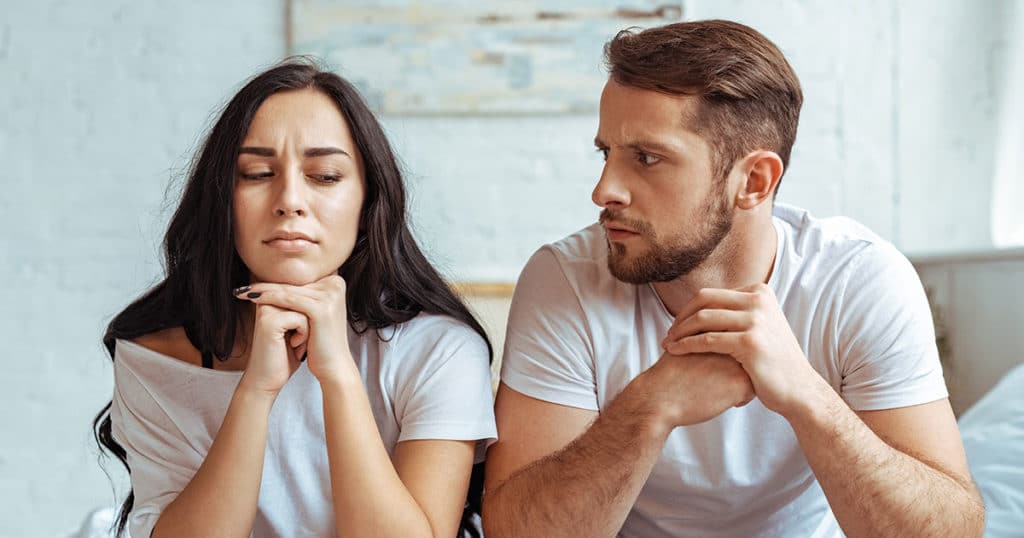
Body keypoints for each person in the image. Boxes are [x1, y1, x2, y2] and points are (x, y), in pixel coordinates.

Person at [482, 20, 984, 538]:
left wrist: (805, 395)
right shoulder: (565, 279)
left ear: (753, 181)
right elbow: (515, 531)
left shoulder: (859, 280)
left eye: (647, 158)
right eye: (605, 153)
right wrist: (652, 406)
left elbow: (950, 530)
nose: (604, 189)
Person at [92, 60, 496, 538]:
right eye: (258, 173)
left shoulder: (440, 350)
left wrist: (338, 375)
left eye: (325, 176)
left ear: (369, 203)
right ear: (223, 200)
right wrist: (255, 392)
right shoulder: (157, 355)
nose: (290, 200)